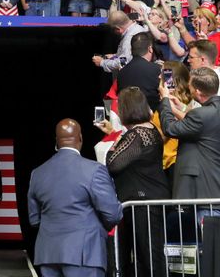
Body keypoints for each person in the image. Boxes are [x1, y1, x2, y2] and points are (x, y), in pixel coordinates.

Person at [27, 118, 123, 277]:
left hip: (48, 254)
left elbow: (34, 220)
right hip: (85, 254)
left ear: (56, 142)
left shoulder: (37, 173)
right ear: (80, 139)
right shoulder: (94, 170)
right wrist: (97, 228)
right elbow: (113, 214)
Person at [105, 87, 170, 277]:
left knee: (148, 256)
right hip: (150, 200)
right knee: (149, 255)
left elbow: (113, 163)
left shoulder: (136, 134)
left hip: (143, 203)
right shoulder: (150, 130)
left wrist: (114, 144)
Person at [159, 67, 220, 224]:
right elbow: (200, 125)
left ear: (199, 92)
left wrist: (165, 100)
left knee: (207, 245)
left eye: (191, 87)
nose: (189, 89)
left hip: (204, 193)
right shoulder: (208, 112)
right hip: (213, 188)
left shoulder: (201, 115)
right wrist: (181, 107)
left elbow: (169, 128)